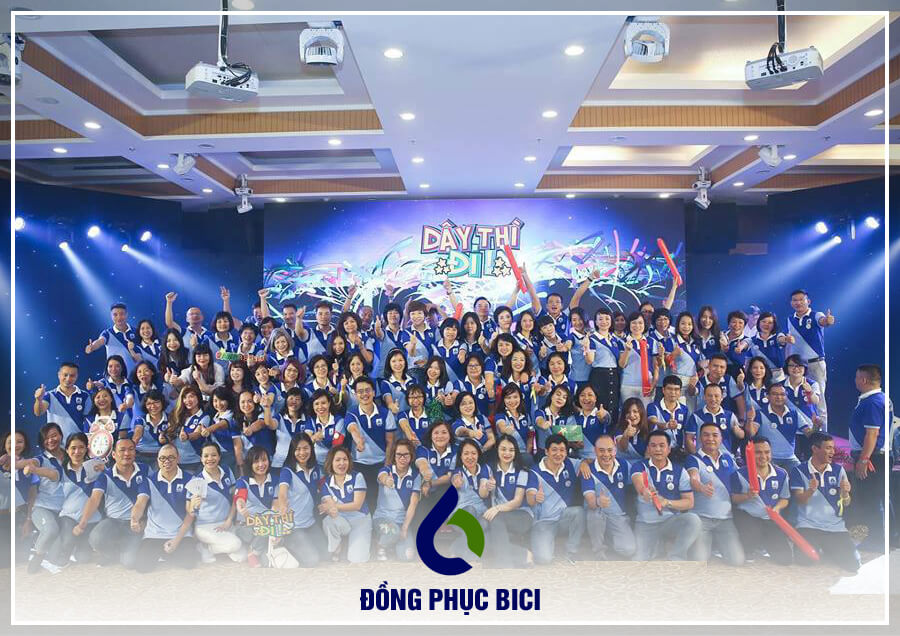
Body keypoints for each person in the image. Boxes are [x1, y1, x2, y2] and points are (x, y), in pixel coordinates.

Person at [790, 432, 858, 572]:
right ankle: (823, 547)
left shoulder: (839, 470)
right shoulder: (799, 470)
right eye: (828, 448)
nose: (832, 452)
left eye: (833, 448)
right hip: (808, 525)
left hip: (835, 527)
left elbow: (846, 503)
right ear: (815, 449)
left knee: (853, 565)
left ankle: (829, 548)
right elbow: (799, 500)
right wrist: (811, 490)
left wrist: (845, 493)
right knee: (804, 560)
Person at [630, 430, 702, 561]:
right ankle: (660, 545)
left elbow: (689, 502)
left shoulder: (680, 471)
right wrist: (644, 491)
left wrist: (667, 502)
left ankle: (676, 556)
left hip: (669, 522)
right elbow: (638, 482)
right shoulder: (639, 466)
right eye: (653, 445)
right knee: (639, 560)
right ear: (648, 449)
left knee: (693, 520)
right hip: (645, 524)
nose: (657, 449)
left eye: (662, 445)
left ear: (669, 449)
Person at [131, 444, 199, 573]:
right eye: (162, 458)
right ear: (157, 460)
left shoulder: (191, 480)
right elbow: (140, 503)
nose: (166, 461)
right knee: (142, 567)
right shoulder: (148, 481)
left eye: (171, 457)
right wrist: (134, 519)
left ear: (178, 458)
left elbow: (190, 514)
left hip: (181, 534)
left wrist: (176, 540)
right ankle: (164, 553)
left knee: (189, 563)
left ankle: (165, 553)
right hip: (155, 533)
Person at [80, 438, 147, 568]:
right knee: (95, 538)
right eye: (122, 450)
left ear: (135, 452)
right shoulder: (105, 475)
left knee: (129, 563)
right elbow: (94, 499)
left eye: (131, 449)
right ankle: (111, 554)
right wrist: (83, 522)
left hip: (136, 523)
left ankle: (125, 549)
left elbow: (146, 498)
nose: (127, 453)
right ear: (114, 454)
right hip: (113, 521)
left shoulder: (145, 470)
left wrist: (144, 520)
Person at [685, 423, 745, 566]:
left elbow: (741, 477)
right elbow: (693, 477)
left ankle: (714, 546)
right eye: (706, 435)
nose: (710, 439)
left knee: (737, 561)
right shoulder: (693, 459)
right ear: (700, 438)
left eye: (715, 435)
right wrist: (701, 487)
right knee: (699, 561)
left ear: (721, 438)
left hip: (725, 519)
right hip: (702, 520)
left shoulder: (728, 458)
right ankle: (702, 545)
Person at [730, 436, 793, 565]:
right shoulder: (739, 474)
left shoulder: (782, 474)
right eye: (758, 452)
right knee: (747, 549)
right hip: (748, 517)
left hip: (770, 519)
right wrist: (747, 496)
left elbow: (785, 499)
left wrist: (777, 508)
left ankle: (766, 542)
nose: (763, 456)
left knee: (785, 560)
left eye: (767, 452)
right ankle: (750, 546)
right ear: (750, 454)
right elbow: (734, 499)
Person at [846, 364, 888, 551]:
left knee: (872, 499)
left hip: (872, 458)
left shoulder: (872, 402)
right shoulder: (879, 398)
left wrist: (863, 459)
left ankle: (877, 540)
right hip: (874, 456)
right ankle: (883, 537)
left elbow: (872, 434)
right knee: (876, 498)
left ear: (863, 380)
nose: (855, 381)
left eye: (856, 377)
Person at [527, 434, 585, 565]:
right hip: (544, 522)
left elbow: (586, 462)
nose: (558, 454)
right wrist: (535, 497)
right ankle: (545, 544)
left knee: (579, 512)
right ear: (546, 451)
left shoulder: (569, 464)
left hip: (563, 518)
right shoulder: (535, 471)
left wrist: (584, 464)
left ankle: (571, 552)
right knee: (543, 560)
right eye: (554, 450)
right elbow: (530, 497)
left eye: (562, 450)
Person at [343, 376, 397, 512]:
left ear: (373, 392)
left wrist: (387, 466)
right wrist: (358, 440)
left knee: (378, 502)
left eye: (367, 390)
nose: (364, 394)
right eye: (360, 391)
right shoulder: (351, 413)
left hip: (380, 464)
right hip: (358, 464)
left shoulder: (386, 413)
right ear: (355, 395)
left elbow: (390, 442)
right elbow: (352, 428)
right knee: (360, 502)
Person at [578, 434, 636, 560]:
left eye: (610, 450)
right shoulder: (588, 470)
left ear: (615, 450)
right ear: (595, 451)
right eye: (601, 450)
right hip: (598, 514)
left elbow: (636, 484)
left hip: (618, 517)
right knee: (595, 514)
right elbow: (590, 501)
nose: (606, 454)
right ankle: (598, 550)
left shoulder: (624, 465)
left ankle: (609, 538)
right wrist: (599, 501)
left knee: (628, 550)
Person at [52, 432, 105, 567]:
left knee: (83, 558)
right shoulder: (61, 470)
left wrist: (105, 470)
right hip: (69, 516)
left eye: (81, 447)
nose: (77, 452)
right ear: (67, 450)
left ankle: (80, 544)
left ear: (87, 449)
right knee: (67, 543)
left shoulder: (95, 466)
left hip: (92, 518)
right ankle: (66, 543)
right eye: (73, 448)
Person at [187, 442, 245, 564]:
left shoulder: (227, 471)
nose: (210, 459)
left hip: (226, 523)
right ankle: (205, 548)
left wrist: (229, 520)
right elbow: (191, 511)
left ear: (219, 457)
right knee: (235, 544)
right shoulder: (197, 480)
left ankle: (211, 547)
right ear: (201, 459)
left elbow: (235, 497)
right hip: (205, 526)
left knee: (242, 557)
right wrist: (194, 505)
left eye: (213, 455)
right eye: (206, 456)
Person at [482, 434, 534, 568]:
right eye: (503, 449)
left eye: (511, 450)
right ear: (497, 450)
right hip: (499, 517)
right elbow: (483, 493)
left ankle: (503, 562)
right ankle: (523, 555)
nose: (507, 453)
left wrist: (497, 508)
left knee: (496, 519)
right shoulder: (489, 469)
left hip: (522, 516)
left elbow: (517, 501)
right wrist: (487, 486)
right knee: (485, 538)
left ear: (516, 452)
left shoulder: (522, 472)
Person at [275, 433, 327, 567]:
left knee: (326, 554)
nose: (302, 453)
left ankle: (304, 543)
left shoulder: (315, 468)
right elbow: (282, 492)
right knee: (312, 560)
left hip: (310, 523)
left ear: (311, 449)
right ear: (292, 451)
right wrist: (282, 505)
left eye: (305, 448)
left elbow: (322, 487)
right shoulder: (287, 471)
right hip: (293, 526)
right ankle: (286, 542)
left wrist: (327, 502)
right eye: (297, 449)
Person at [22, 423, 66, 574]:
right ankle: (36, 556)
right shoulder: (40, 459)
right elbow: (31, 463)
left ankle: (40, 541)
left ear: (61, 435)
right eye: (46, 438)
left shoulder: (71, 455)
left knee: (55, 555)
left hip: (64, 510)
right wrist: (30, 467)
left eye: (54, 435)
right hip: (42, 507)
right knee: (51, 530)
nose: (50, 440)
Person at [787, 290, 835, 422]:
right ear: (791, 303)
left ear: (808, 301)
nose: (798, 303)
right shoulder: (790, 319)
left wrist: (828, 321)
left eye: (801, 299)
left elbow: (823, 321)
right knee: (799, 397)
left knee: (819, 399)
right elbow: (788, 341)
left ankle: (822, 432)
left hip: (815, 364)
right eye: (795, 300)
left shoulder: (816, 315)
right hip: (798, 367)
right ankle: (803, 428)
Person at [319, 446, 372, 563]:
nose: (342, 463)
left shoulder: (357, 476)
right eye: (337, 460)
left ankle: (353, 543)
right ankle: (337, 547)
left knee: (357, 559)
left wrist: (332, 507)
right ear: (331, 462)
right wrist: (330, 509)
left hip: (360, 519)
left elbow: (357, 505)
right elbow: (330, 508)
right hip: (342, 520)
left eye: (345, 459)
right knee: (328, 521)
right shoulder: (326, 483)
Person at [373, 439, 421, 561]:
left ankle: (391, 544)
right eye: (399, 454)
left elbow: (413, 504)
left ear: (411, 456)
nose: (402, 458)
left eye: (406, 454)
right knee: (393, 532)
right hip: (382, 518)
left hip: (401, 521)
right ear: (394, 456)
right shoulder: (386, 470)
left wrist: (405, 527)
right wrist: (387, 480)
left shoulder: (415, 476)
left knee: (408, 556)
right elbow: (382, 477)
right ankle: (380, 545)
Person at [233, 446, 279, 567]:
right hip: (246, 527)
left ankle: (256, 549)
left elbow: (276, 504)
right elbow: (240, 497)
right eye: (256, 461)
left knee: (267, 561)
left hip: (265, 525)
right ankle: (252, 551)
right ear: (250, 464)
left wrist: (273, 521)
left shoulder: (275, 480)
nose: (261, 464)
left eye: (264, 460)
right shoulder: (243, 481)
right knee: (267, 530)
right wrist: (241, 506)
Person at [448, 439, 490, 561]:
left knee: (484, 524)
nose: (470, 457)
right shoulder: (458, 471)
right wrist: (457, 481)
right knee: (470, 510)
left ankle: (456, 548)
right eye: (466, 454)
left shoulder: (485, 469)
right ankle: (472, 554)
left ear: (478, 454)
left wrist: (487, 486)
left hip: (480, 514)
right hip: (459, 517)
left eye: (473, 453)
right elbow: (455, 478)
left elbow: (483, 493)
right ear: (460, 456)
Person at [751, 383, 810, 469]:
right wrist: (749, 419)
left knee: (802, 473)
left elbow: (809, 434)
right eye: (775, 394)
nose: (779, 397)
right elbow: (751, 433)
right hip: (769, 458)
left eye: (782, 394)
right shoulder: (760, 413)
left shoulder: (794, 414)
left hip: (791, 459)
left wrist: (816, 425)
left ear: (786, 397)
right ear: (767, 396)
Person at [1, 431, 38, 566]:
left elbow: (32, 495)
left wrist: (28, 520)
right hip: (2, 518)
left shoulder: (30, 466)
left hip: (20, 517)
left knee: (21, 560)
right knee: (4, 562)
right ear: (4, 445)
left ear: (25, 445)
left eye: (19, 441)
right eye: (11, 442)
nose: (15, 445)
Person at [33, 362, 90, 441]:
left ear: (76, 376)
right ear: (59, 375)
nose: (68, 379)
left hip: (76, 443)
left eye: (72, 376)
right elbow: (38, 413)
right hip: (56, 443)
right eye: (65, 375)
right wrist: (38, 399)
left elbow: (89, 419)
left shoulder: (85, 396)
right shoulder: (49, 395)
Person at [686, 384, 745, 456]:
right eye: (709, 396)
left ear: (722, 397)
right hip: (703, 457)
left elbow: (741, 435)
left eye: (716, 396)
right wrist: (696, 456)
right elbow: (689, 438)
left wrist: (738, 431)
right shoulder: (696, 416)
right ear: (704, 397)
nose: (713, 399)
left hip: (726, 456)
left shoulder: (730, 415)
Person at [84, 302, 140, 374]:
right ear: (111, 316)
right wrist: (92, 347)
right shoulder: (107, 333)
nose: (119, 317)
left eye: (121, 314)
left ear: (126, 314)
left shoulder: (136, 332)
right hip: (114, 376)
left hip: (135, 375)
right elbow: (100, 341)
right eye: (115, 315)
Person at [618, 312, 659, 406]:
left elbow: (655, 365)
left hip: (647, 385)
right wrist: (627, 350)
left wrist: (654, 382)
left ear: (645, 324)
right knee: (628, 412)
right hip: (628, 385)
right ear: (629, 324)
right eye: (634, 323)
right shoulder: (622, 342)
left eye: (640, 323)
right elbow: (622, 364)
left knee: (645, 412)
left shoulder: (651, 342)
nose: (637, 326)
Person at [589, 308, 623, 422]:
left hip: (614, 374)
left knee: (614, 404)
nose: (604, 321)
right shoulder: (592, 339)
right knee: (600, 404)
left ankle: (612, 430)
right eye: (600, 319)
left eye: (607, 319)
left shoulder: (615, 339)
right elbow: (590, 360)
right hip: (599, 375)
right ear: (596, 322)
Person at [694, 353, 746, 422]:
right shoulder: (700, 382)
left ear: (726, 369)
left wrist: (742, 419)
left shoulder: (728, 379)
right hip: (705, 420)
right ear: (708, 366)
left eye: (722, 367)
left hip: (726, 421)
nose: (718, 369)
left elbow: (739, 398)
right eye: (715, 366)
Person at [646, 375, 690, 453]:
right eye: (669, 389)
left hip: (677, 451)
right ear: (663, 390)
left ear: (680, 392)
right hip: (657, 450)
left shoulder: (684, 409)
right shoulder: (653, 406)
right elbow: (653, 421)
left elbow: (686, 432)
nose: (673, 392)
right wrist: (667, 425)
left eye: (676, 389)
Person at [494, 383, 535, 463]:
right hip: (507, 455)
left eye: (515, 397)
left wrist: (527, 451)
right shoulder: (500, 415)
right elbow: (502, 427)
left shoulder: (526, 416)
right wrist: (507, 430)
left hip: (524, 455)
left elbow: (530, 435)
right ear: (503, 400)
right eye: (508, 398)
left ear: (520, 398)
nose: (512, 401)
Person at [570, 385, 611, 462]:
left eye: (590, 395)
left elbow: (606, 418)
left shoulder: (600, 414)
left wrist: (604, 416)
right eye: (582, 395)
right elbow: (573, 443)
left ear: (596, 398)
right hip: (578, 461)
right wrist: (573, 444)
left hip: (599, 460)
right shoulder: (573, 418)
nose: (586, 398)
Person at [164, 291, 209, 356]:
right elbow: (169, 323)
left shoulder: (211, 335)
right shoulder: (183, 332)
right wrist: (169, 302)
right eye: (191, 314)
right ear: (187, 319)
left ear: (202, 317)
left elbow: (220, 354)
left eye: (197, 314)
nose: (195, 316)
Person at [132, 389, 170, 464]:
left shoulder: (170, 419)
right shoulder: (140, 419)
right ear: (145, 405)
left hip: (162, 455)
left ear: (162, 402)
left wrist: (166, 439)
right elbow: (137, 435)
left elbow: (173, 440)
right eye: (149, 403)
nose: (153, 406)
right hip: (140, 454)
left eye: (156, 402)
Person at [373, 302, 410, 378]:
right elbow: (379, 334)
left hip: (403, 373)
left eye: (396, 313)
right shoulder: (384, 333)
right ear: (385, 316)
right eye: (390, 313)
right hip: (385, 374)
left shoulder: (406, 334)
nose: (393, 315)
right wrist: (377, 328)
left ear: (400, 315)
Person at [751, 312, 790, 383]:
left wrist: (786, 339)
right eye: (764, 321)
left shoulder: (778, 336)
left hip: (778, 376)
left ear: (774, 325)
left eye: (770, 323)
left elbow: (781, 339)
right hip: (759, 376)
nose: (766, 324)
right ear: (758, 323)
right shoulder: (752, 340)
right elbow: (748, 361)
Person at [614, 397, 652, 461]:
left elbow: (649, 456)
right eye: (628, 412)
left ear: (641, 413)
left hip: (642, 465)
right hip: (623, 464)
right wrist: (626, 435)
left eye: (635, 411)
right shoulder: (619, 428)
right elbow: (622, 448)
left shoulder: (649, 428)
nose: (631, 415)